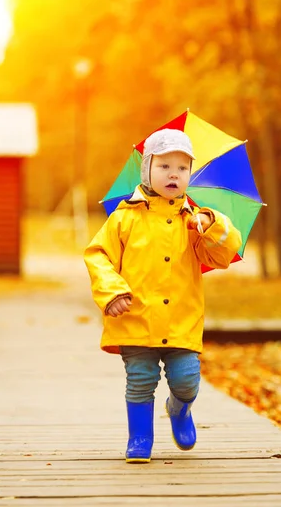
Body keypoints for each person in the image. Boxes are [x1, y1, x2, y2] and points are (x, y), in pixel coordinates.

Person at [84, 128, 242, 463]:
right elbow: (98, 255)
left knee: (186, 380)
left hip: (181, 319)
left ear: (190, 174)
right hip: (135, 317)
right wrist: (112, 292)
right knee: (140, 380)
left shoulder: (196, 220)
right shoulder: (125, 217)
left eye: (182, 168)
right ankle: (140, 437)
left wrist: (210, 225)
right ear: (147, 170)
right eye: (164, 166)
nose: (173, 174)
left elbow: (223, 255)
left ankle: (179, 408)